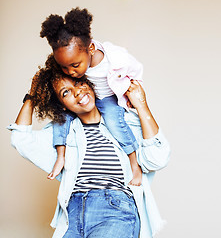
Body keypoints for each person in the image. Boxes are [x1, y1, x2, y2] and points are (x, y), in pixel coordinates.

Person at [8, 55, 170, 238]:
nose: (77, 92)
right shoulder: (63, 135)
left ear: (89, 83)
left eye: (78, 82)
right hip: (72, 216)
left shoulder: (123, 122)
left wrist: (142, 106)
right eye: (66, 92)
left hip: (115, 211)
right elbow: (20, 140)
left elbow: (158, 158)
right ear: (62, 106)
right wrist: (32, 95)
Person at [40, 7, 144, 184]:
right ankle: (61, 156)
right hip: (89, 98)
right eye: (64, 67)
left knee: (113, 121)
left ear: (91, 48)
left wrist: (135, 87)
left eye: (74, 65)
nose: (70, 72)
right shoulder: (74, 60)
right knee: (61, 117)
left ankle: (134, 164)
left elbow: (136, 68)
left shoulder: (114, 58)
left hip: (110, 99)